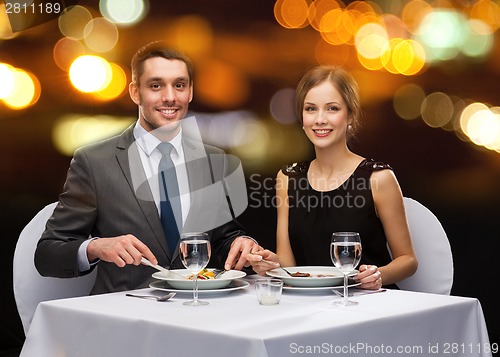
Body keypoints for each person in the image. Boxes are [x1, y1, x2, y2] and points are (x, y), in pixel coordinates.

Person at [34, 41, 259, 294]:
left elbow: (223, 237)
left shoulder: (212, 159)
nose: (170, 97)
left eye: (179, 85)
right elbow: (47, 254)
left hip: (198, 313)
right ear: (134, 92)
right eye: (156, 85)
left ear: (190, 92)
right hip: (124, 319)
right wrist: (95, 247)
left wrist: (243, 244)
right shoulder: (94, 162)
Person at [248, 66, 418, 290]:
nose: (320, 119)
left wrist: (378, 275)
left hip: (367, 303)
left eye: (332, 109)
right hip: (310, 303)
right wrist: (271, 264)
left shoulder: (378, 177)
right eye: (311, 109)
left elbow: (408, 260)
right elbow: (289, 264)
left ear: (350, 116)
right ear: (301, 118)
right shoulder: (287, 178)